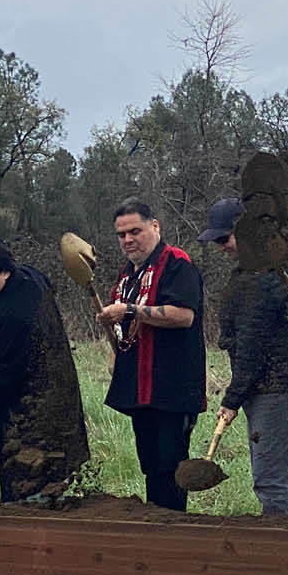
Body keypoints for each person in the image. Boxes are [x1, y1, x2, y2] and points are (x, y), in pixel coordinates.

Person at [198, 197, 288, 517]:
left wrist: (232, 398)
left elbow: (253, 345)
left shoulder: (265, 275)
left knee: (270, 479)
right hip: (284, 382)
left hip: (273, 386)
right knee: (278, 476)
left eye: (225, 238)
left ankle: (278, 551)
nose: (222, 247)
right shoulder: (272, 264)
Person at [96, 199, 207, 511]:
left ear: (154, 226)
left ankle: (173, 533)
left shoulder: (177, 263)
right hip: (139, 387)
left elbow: (184, 315)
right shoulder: (129, 274)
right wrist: (110, 321)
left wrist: (129, 310)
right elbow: (126, 331)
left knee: (171, 466)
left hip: (172, 386)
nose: (128, 240)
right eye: (121, 235)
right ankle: (155, 527)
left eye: (135, 231)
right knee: (150, 464)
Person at [0, 241, 91, 502]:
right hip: (43, 391)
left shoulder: (17, 313)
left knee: (32, 467)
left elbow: (11, 366)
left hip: (31, 401)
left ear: (5, 272)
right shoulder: (26, 278)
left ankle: (35, 508)